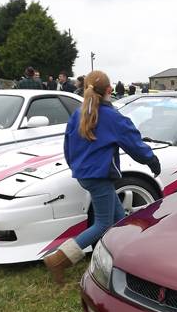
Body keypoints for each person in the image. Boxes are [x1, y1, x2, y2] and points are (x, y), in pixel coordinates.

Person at [42, 70, 160, 283]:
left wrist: (77, 167)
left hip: (84, 174)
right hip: (99, 176)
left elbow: (68, 146)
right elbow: (134, 143)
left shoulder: (79, 114)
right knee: (104, 223)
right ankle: (59, 260)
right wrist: (151, 160)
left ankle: (122, 260)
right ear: (109, 90)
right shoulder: (112, 117)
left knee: (119, 220)